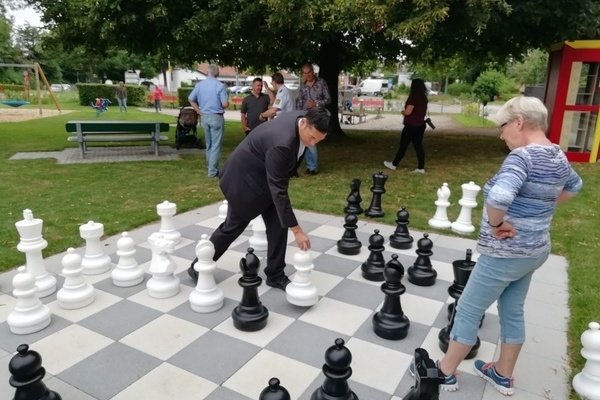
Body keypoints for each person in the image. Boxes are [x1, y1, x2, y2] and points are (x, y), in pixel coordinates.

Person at [429, 96, 582, 396]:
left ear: (519, 122)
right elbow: (574, 186)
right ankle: (502, 374)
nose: (501, 134)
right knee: (513, 310)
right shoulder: (557, 155)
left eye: (502, 126)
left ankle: (445, 373)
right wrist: (540, 210)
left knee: (468, 309)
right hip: (535, 250)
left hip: (505, 253)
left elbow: (498, 198)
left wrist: (498, 223)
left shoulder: (522, 157)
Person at [187, 107, 331, 290]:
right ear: (303, 123)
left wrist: (290, 223)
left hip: (265, 178)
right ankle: (198, 266)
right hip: (244, 181)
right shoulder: (283, 144)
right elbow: (279, 190)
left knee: (279, 225)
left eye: (318, 140)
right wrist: (297, 230)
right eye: (311, 138)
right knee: (232, 227)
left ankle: (275, 274)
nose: (312, 144)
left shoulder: (304, 118)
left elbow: (277, 185)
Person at [188, 64, 229, 177]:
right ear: (217, 73)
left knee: (209, 144)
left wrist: (198, 111)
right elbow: (224, 104)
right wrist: (227, 103)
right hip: (216, 116)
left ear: (207, 72)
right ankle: (212, 171)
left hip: (205, 116)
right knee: (216, 145)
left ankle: (209, 166)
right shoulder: (220, 86)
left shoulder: (199, 85)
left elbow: (191, 99)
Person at [383, 78, 428, 173]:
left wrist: (402, 112)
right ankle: (421, 167)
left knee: (403, 145)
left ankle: (394, 164)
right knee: (418, 146)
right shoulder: (424, 97)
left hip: (411, 125)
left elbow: (408, 112)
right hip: (421, 124)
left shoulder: (413, 97)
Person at [296, 63, 331, 175]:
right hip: (305, 115)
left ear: (313, 71)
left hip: (317, 116)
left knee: (311, 140)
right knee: (306, 140)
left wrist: (316, 103)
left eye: (309, 72)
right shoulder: (302, 86)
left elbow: (328, 99)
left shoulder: (321, 82)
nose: (307, 75)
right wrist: (298, 115)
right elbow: (299, 102)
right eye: (305, 73)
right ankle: (310, 166)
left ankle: (313, 167)